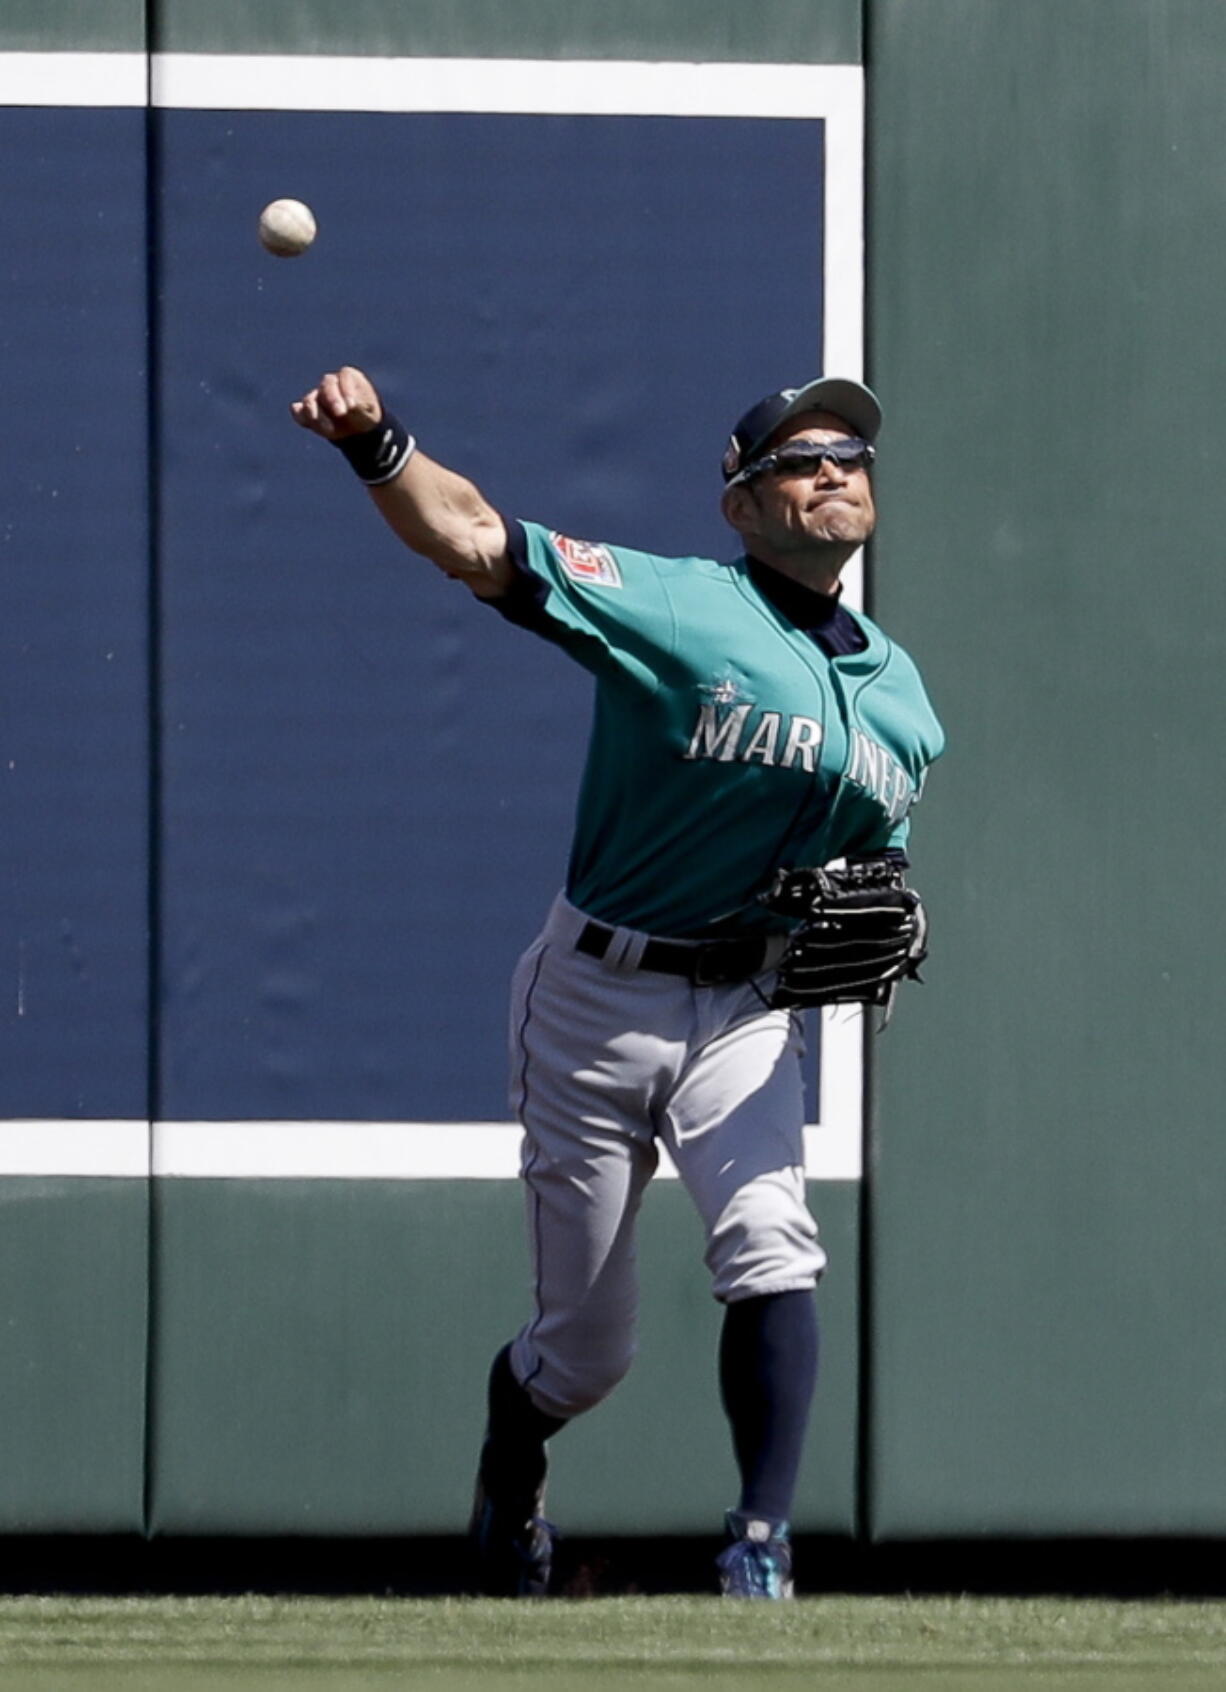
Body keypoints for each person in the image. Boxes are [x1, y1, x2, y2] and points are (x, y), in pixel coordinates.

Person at [291, 366, 944, 1598]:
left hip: (746, 1007)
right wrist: (376, 442)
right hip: (598, 995)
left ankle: (758, 1546)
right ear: (741, 507)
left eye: (850, 458)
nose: (833, 472)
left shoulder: (902, 696)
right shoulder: (675, 605)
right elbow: (478, 539)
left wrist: (879, 894)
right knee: (583, 1356)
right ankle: (513, 1468)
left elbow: (876, 865)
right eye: (799, 460)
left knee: (772, 1247)